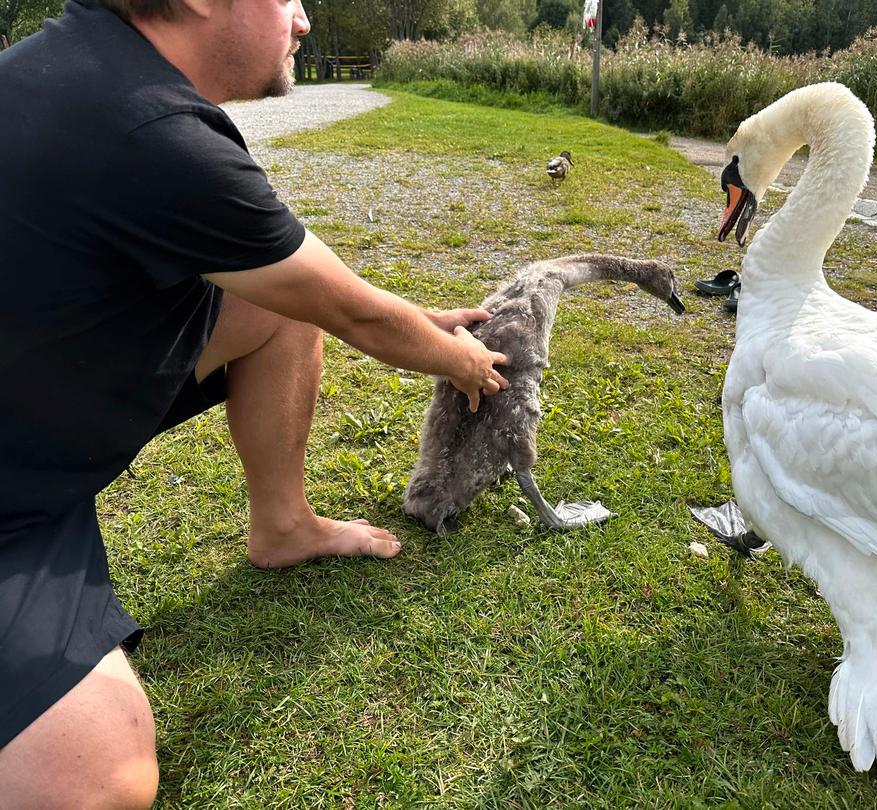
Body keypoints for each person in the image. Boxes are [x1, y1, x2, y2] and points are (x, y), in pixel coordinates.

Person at [0, 0, 510, 806]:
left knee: (277, 308)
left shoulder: (83, 70)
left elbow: (308, 285)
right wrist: (467, 364)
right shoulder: (147, 131)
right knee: (96, 780)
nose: (304, 20)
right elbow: (355, 313)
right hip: (12, 506)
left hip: (36, 411)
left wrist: (422, 322)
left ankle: (283, 524)